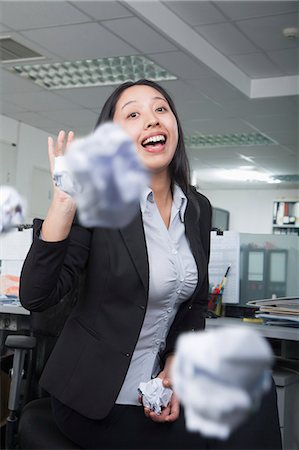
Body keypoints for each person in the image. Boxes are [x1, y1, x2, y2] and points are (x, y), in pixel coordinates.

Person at [19, 79, 281, 450]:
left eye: (161, 109)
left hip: (158, 385)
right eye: (134, 114)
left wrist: (174, 360)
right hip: (95, 396)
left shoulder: (197, 207)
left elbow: (195, 302)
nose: (152, 120)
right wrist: (65, 200)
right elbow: (37, 296)